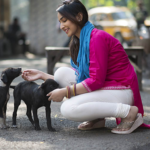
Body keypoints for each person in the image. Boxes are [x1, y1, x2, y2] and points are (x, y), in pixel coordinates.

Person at [22, 0, 150, 134]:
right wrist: (43, 75)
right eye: (60, 22)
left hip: (122, 90)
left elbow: (95, 80)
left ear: (79, 17)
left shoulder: (97, 38)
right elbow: (85, 77)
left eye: (64, 20)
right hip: (108, 86)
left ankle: (128, 112)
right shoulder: (83, 39)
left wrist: (65, 92)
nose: (61, 26)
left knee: (68, 108)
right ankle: (98, 119)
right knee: (61, 73)